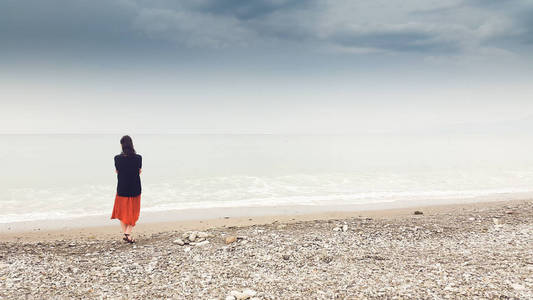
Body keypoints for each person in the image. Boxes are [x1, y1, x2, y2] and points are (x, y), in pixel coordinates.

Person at [111, 135, 142, 243]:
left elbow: (117, 171)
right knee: (134, 212)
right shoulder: (138, 158)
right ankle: (128, 234)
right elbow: (139, 171)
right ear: (131, 144)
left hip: (122, 189)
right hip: (135, 188)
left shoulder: (117, 158)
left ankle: (127, 234)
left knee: (121, 213)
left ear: (122, 145)